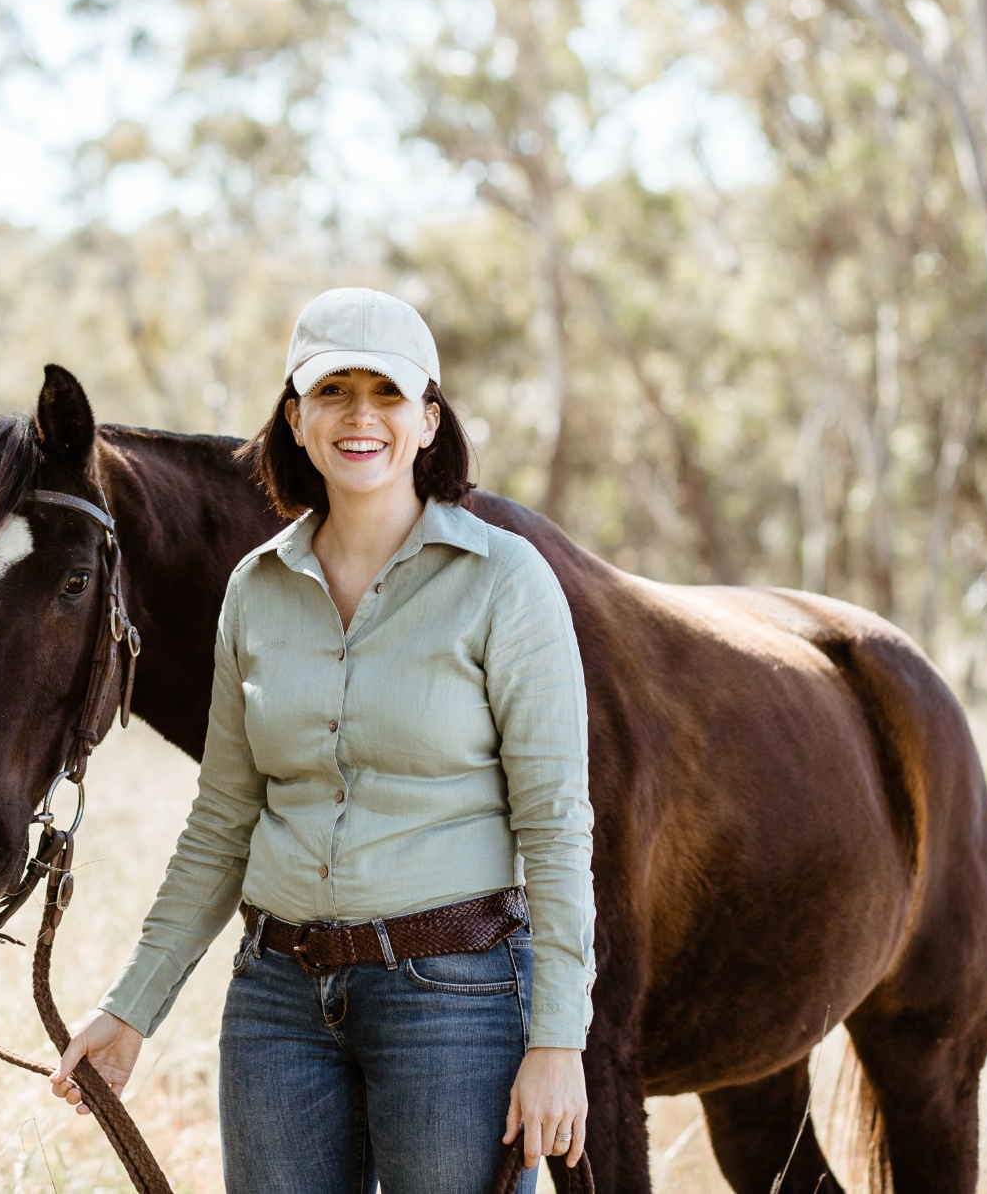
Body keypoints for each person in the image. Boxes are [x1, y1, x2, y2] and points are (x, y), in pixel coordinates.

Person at [48, 287, 595, 1193]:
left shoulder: (507, 582)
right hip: (278, 1003)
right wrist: (131, 1005)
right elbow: (223, 819)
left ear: (429, 419)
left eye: (386, 393)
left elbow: (556, 823)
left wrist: (558, 1039)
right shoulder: (254, 591)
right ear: (295, 420)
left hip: (455, 1001)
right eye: (332, 391)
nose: (360, 416)